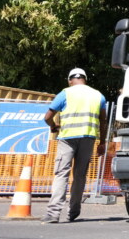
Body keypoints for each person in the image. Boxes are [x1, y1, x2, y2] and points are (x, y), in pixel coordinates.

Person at [42, 68, 107, 223]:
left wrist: (53, 126)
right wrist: (102, 142)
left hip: (67, 138)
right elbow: (102, 121)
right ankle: (74, 211)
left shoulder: (65, 93)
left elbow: (47, 117)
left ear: (70, 80)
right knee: (80, 175)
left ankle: (53, 213)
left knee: (61, 173)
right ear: (85, 79)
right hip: (88, 138)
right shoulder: (98, 95)